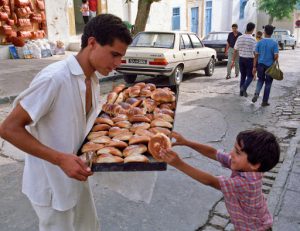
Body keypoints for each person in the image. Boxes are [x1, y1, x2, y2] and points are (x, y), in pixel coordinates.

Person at [0, 14, 132, 231]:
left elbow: (79, 127)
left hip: (77, 177)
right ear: (92, 43)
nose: (118, 63)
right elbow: (8, 128)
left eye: (121, 56)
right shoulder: (54, 79)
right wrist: (60, 159)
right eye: (114, 54)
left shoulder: (93, 79)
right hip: (51, 185)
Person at [160, 129, 280, 231]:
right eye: (234, 148)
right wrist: (186, 142)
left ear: (255, 164)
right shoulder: (246, 165)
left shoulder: (247, 184)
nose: (231, 153)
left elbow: (210, 181)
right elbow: (213, 153)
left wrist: (179, 164)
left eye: (237, 152)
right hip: (250, 222)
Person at [252, 25, 279, 107]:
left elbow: (255, 55)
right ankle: (264, 101)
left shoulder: (259, 42)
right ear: (272, 33)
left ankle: (256, 93)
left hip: (260, 65)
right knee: (268, 83)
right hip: (270, 66)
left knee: (260, 80)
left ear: (264, 32)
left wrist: (254, 67)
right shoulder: (274, 43)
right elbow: (275, 56)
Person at [231, 22, 257, 97]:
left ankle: (241, 92)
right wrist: (255, 64)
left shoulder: (240, 38)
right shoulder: (253, 40)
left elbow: (235, 50)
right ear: (252, 29)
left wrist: (233, 61)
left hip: (241, 59)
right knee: (250, 76)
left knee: (243, 75)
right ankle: (243, 88)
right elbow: (255, 53)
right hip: (249, 60)